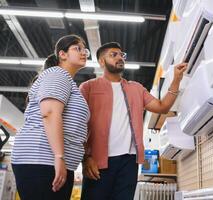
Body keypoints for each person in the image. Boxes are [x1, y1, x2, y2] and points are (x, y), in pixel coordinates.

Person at [79, 42, 187, 200]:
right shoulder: (88, 88)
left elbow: (162, 107)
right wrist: (85, 158)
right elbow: (79, 125)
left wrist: (176, 79)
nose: (120, 58)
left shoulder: (136, 88)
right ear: (101, 62)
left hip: (129, 161)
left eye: (121, 54)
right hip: (97, 160)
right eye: (113, 55)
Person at [11, 34, 90, 200]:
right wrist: (59, 157)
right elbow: (50, 113)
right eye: (78, 48)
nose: (84, 53)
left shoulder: (65, 80)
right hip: (42, 158)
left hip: (50, 160)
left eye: (85, 50)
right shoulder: (57, 74)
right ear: (62, 54)